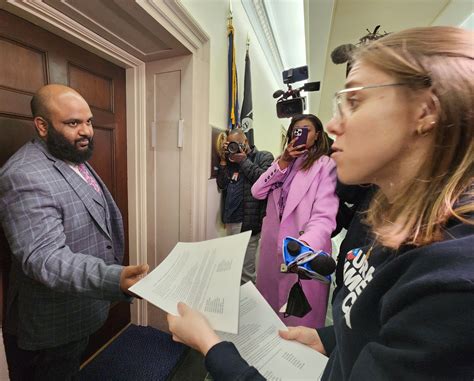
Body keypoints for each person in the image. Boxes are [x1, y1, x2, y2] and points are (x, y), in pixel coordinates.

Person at [167, 26, 474, 380]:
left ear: (425, 111)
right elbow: (366, 318)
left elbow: (323, 218)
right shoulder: (387, 214)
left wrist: (211, 347)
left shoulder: (451, 281)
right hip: (275, 250)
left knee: (292, 310)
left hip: (300, 255)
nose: (334, 124)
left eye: (354, 102)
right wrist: (329, 338)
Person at [0, 84, 149, 380]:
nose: (87, 131)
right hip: (51, 326)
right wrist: (112, 278)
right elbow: (45, 257)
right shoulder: (23, 175)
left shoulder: (69, 154)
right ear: (42, 126)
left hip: (78, 311)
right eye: (73, 123)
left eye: (89, 121)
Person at [252, 113, 338, 328]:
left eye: (306, 130)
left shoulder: (325, 165)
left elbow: (323, 217)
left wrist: (302, 248)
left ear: (317, 135)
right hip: (273, 249)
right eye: (295, 131)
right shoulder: (282, 164)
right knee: (270, 311)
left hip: (304, 251)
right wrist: (283, 161)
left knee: (299, 320)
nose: (299, 135)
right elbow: (257, 191)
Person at [217, 128, 273, 284]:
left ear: (246, 142)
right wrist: (223, 160)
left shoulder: (264, 156)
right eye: (231, 145)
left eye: (238, 144)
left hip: (249, 222)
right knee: (231, 267)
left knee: (246, 274)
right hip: (231, 221)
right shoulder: (230, 160)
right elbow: (222, 184)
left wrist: (243, 160)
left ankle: (246, 306)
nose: (235, 148)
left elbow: (264, 181)